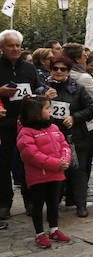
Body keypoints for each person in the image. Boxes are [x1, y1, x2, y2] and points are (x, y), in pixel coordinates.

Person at [17, 95, 72, 248]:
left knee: (53, 203)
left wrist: (65, 161)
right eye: (47, 108)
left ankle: (54, 229)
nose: (50, 111)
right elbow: (32, 155)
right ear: (36, 112)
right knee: (38, 204)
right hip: (38, 177)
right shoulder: (26, 132)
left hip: (56, 174)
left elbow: (64, 146)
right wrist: (56, 164)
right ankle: (39, 233)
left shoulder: (54, 128)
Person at [43, 55, 93, 217]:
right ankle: (54, 203)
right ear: (50, 70)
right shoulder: (43, 88)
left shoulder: (78, 88)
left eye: (62, 69)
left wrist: (74, 117)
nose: (58, 72)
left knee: (78, 171)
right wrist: (43, 100)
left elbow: (90, 109)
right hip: (51, 138)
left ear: (68, 71)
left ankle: (80, 204)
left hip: (75, 137)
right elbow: (32, 111)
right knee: (55, 172)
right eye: (55, 68)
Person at [0, 29, 40, 221]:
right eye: (10, 45)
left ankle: (30, 200)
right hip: (2, 125)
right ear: (2, 48)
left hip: (26, 125)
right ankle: (4, 204)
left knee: (27, 163)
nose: (15, 49)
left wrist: (43, 92)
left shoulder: (29, 68)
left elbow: (38, 86)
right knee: (2, 165)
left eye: (17, 45)